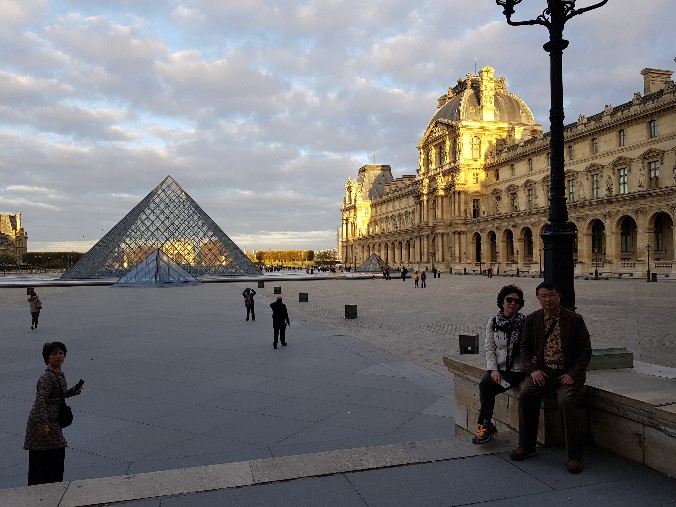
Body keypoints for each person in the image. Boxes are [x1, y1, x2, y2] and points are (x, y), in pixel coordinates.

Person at [510, 282, 591, 474]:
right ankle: (526, 446)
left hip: (566, 374)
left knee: (566, 401)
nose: (547, 299)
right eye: (543, 296)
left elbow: (585, 351)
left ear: (559, 296)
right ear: (538, 299)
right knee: (526, 394)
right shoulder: (532, 319)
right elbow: (524, 348)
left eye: (551, 295)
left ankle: (574, 456)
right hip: (542, 372)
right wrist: (533, 370)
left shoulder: (574, 319)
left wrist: (573, 374)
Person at [472, 285, 527, 444]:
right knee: (485, 384)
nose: (513, 303)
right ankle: (486, 424)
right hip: (499, 368)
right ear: (502, 302)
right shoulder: (494, 321)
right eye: (509, 300)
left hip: (516, 370)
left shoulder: (525, 323)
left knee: (487, 387)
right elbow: (489, 347)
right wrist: (493, 369)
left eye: (517, 301)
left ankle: (485, 425)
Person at [24, 342, 83, 486]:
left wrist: (71, 392)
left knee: (48, 455)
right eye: (54, 354)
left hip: (50, 420)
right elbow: (41, 400)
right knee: (51, 454)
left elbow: (55, 395)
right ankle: (49, 489)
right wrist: (43, 422)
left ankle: (48, 487)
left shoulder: (57, 373)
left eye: (61, 353)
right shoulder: (47, 378)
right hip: (45, 422)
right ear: (47, 358)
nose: (58, 356)